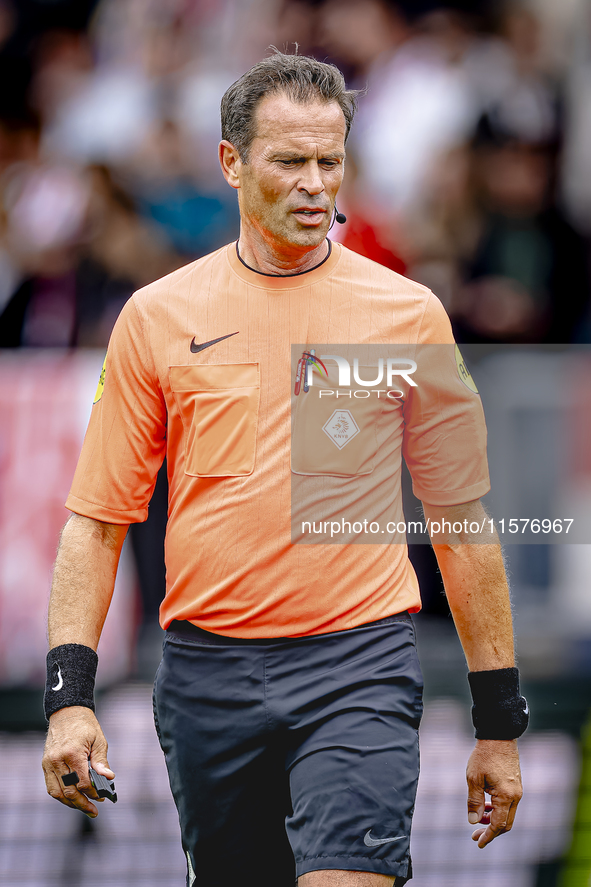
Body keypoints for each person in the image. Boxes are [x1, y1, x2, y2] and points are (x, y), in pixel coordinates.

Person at [42, 51, 528, 887]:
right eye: (290, 160)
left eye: (330, 161)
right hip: (205, 674)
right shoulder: (157, 318)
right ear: (231, 163)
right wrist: (69, 695)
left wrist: (497, 720)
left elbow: (461, 522)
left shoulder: (406, 315)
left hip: (359, 666)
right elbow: (96, 518)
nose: (315, 184)